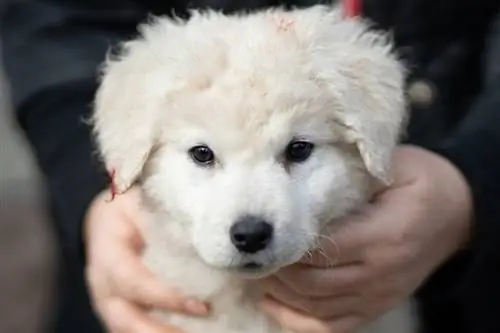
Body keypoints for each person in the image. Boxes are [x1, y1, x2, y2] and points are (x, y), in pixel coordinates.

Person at [1, 0, 500, 332]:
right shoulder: (152, 90)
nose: (251, 218)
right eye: (202, 155)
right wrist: (93, 188)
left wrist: (475, 180)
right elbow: (54, 19)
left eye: (298, 150)